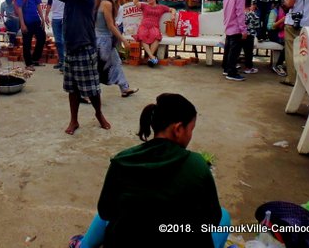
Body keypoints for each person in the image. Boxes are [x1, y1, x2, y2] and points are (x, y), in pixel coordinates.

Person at [68, 93, 227, 248]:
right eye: (191, 129)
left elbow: (106, 211)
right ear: (178, 129)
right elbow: (213, 219)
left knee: (112, 211)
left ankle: (84, 244)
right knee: (224, 217)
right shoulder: (197, 164)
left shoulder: (122, 160)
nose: (191, 135)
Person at [26, 0, 111, 135]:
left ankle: (99, 114)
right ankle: (74, 120)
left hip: (85, 45)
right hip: (71, 46)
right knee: (72, 88)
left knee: (92, 88)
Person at [95, 0, 138, 97]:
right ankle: (89, 93)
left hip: (98, 38)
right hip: (104, 40)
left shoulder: (98, 1)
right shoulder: (107, 4)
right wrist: (123, 39)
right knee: (100, 67)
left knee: (116, 62)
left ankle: (124, 88)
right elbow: (111, 26)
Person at [132, 0, 176, 67]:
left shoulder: (161, 7)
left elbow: (172, 9)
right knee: (142, 35)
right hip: (144, 25)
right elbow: (134, 2)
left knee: (156, 36)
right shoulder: (144, 6)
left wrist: (173, 15)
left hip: (154, 26)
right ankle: (152, 57)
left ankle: (149, 57)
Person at [14, 0, 46, 71]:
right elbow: (19, 8)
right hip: (26, 21)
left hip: (36, 19)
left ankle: (35, 59)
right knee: (27, 43)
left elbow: (38, 5)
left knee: (42, 37)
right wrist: (22, 24)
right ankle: (28, 63)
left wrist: (42, 19)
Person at [222, 0, 250, 81]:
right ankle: (231, 72)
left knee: (228, 50)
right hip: (236, 27)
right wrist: (243, 29)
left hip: (229, 25)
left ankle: (226, 68)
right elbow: (240, 14)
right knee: (234, 52)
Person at [45, 0, 66, 70]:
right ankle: (61, 60)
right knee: (57, 41)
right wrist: (46, 16)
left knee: (63, 40)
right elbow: (49, 3)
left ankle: (65, 63)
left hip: (63, 18)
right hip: (55, 18)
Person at [267, 2, 287, 77]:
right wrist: (282, 20)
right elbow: (270, 27)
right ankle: (278, 65)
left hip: (285, 33)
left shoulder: (291, 11)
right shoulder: (275, 11)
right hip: (275, 34)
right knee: (288, 44)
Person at [242, 0, 259, 74]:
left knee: (237, 51)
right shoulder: (252, 14)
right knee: (248, 52)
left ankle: (234, 64)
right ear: (250, 4)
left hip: (241, 34)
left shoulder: (240, 13)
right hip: (250, 35)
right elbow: (257, 25)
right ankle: (248, 67)